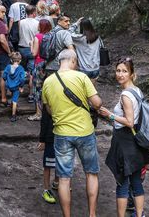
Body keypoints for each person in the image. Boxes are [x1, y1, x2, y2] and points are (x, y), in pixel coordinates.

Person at [42, 49, 102, 217]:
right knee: (91, 173)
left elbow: (49, 110)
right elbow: (97, 103)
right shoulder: (82, 77)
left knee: (64, 178)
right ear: (73, 61)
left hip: (61, 134)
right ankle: (92, 214)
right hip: (85, 132)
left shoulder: (48, 81)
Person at [98, 58, 149, 217]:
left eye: (124, 71)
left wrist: (110, 115)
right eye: (118, 70)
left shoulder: (126, 95)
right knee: (136, 181)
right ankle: (140, 214)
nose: (120, 74)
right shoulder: (137, 91)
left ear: (132, 74)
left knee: (122, 182)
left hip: (124, 142)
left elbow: (129, 121)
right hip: (136, 142)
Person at [29, 19, 52, 121]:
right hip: (49, 65)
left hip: (38, 64)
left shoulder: (37, 37)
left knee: (37, 89)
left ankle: (38, 113)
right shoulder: (51, 36)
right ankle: (49, 112)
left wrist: (31, 45)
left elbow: (34, 53)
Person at [37, 106, 59, 204]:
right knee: (48, 165)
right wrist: (42, 140)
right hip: (51, 137)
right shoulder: (48, 99)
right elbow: (44, 121)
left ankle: (57, 182)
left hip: (64, 136)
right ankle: (46, 189)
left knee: (61, 162)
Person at [18, 4, 39, 103]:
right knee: (32, 74)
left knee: (22, 69)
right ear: (34, 12)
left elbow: (20, 33)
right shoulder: (37, 23)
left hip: (22, 47)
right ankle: (31, 95)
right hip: (32, 49)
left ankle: (18, 90)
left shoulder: (20, 22)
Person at [71, 18, 101, 84]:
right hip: (96, 69)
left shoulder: (79, 38)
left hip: (84, 69)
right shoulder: (97, 37)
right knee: (91, 90)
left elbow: (68, 32)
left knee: (83, 91)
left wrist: (76, 23)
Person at [2, 52, 25, 122]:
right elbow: (22, 79)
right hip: (16, 87)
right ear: (20, 60)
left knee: (13, 95)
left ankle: (12, 105)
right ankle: (13, 115)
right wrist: (21, 86)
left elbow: (4, 76)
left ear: (11, 60)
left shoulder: (8, 67)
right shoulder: (21, 68)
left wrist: (7, 80)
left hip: (9, 86)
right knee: (15, 100)